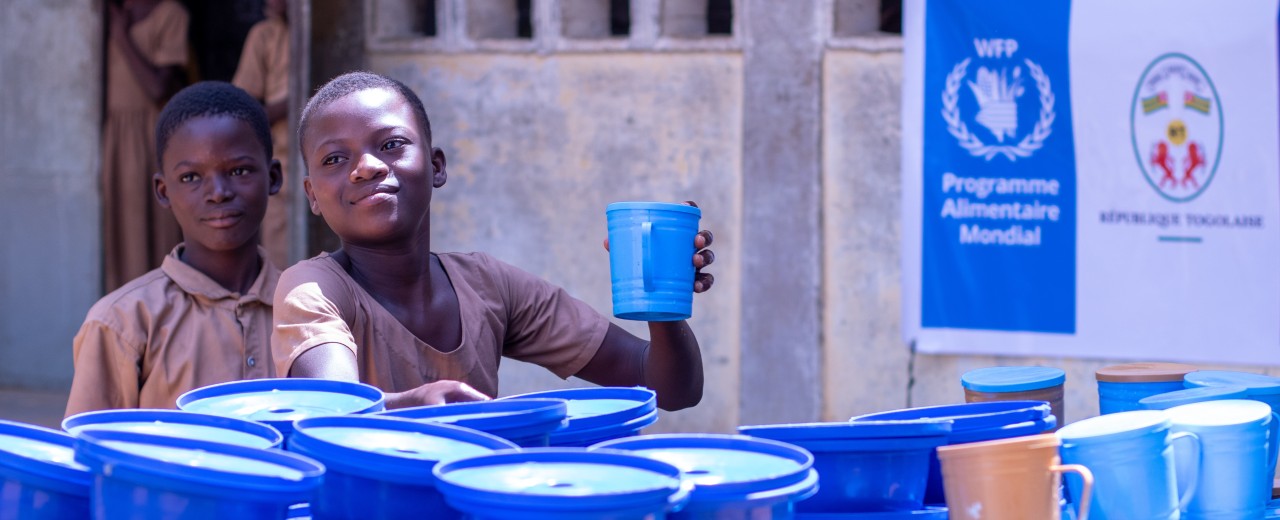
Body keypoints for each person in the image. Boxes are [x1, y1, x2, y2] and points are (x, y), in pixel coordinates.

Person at [271, 72, 716, 411]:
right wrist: (415, 406)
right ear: (312, 195)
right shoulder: (312, 289)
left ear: (437, 166)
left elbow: (669, 389)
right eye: (334, 158)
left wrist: (664, 298)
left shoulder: (488, 286)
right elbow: (334, 415)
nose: (366, 166)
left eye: (390, 145)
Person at [66, 82, 284, 417]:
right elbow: (90, 456)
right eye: (191, 178)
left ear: (272, 178)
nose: (218, 193)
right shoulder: (122, 323)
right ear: (163, 191)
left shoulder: (307, 308)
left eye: (239, 171)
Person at [102, 0, 190, 292]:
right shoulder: (113, 14)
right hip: (116, 138)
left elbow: (157, 89)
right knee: (122, 230)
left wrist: (120, 36)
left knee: (155, 224)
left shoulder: (170, 14)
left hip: (151, 134)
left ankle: (162, 301)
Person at [233, 0, 293, 267]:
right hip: (281, 161)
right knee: (281, 260)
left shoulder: (324, 38)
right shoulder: (265, 35)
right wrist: (291, 105)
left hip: (319, 164)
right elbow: (242, 107)